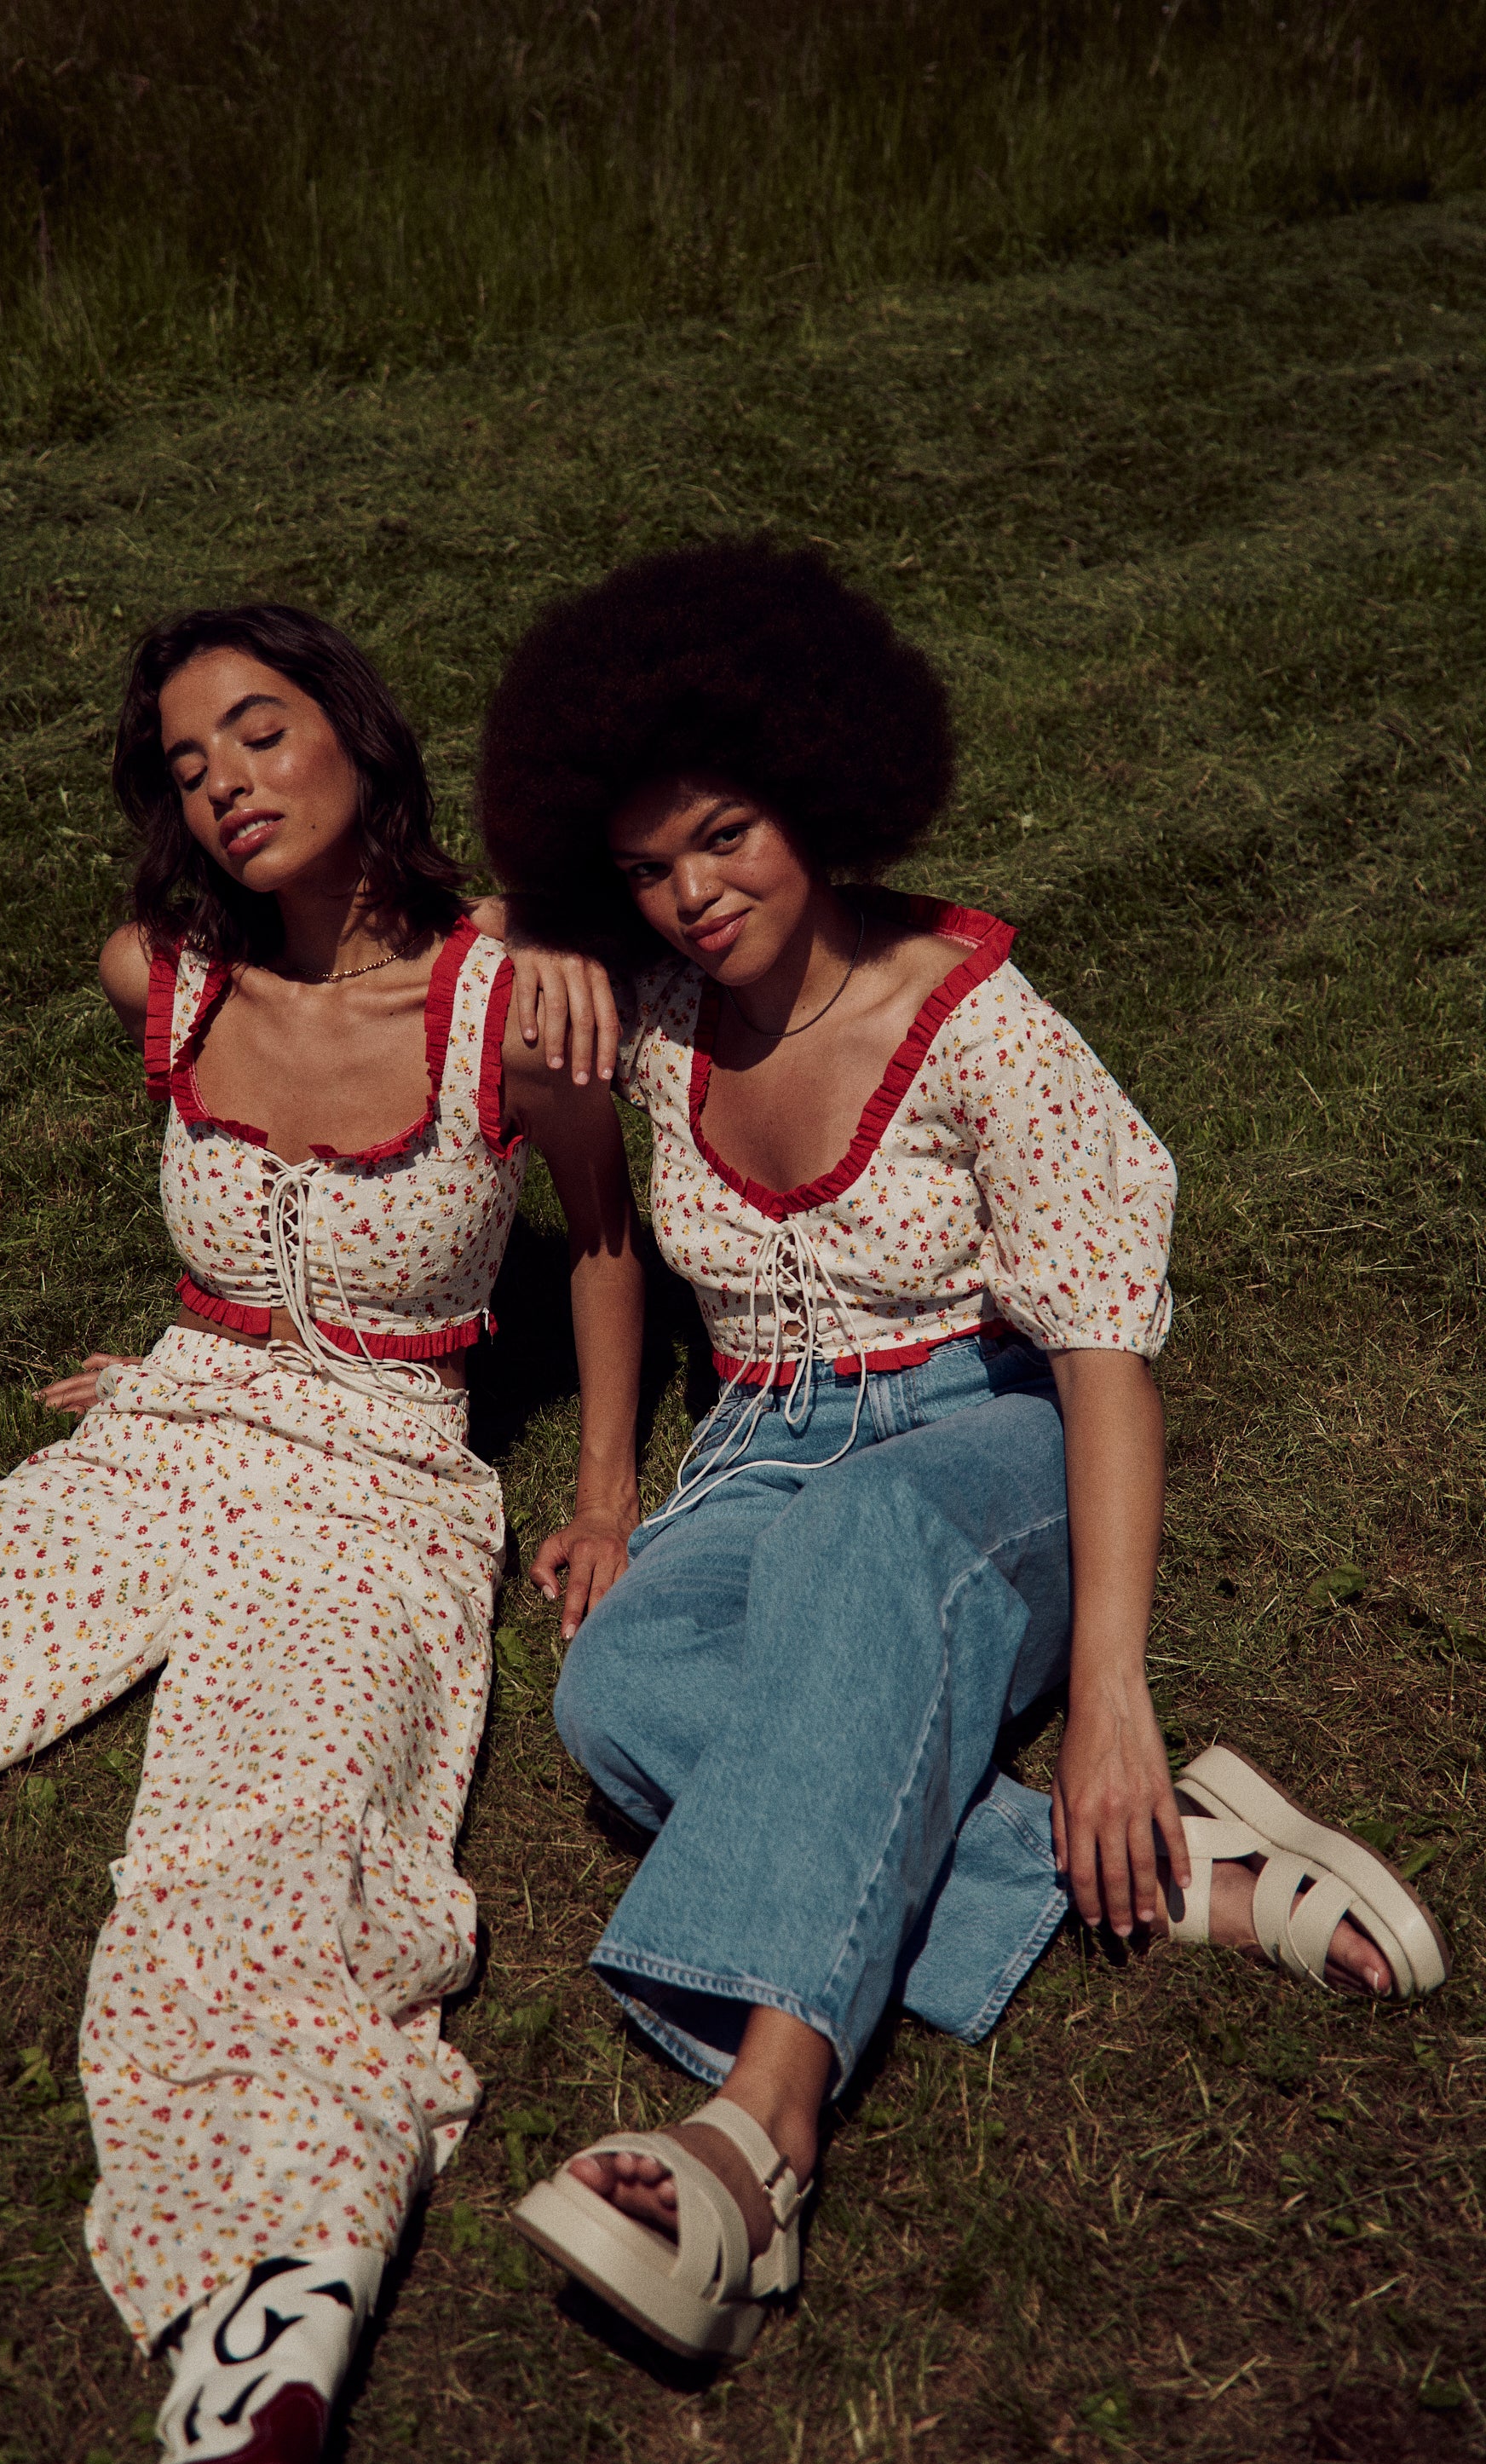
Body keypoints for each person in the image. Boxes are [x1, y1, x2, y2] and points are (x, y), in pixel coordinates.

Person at [475, 540, 1451, 2363]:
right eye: (644, 868)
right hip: (758, 1444)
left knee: (860, 1546)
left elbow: (1103, 1358)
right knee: (617, 1693)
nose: (690, 896)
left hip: (987, 1439)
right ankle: (1194, 1880)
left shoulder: (976, 1023)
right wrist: (533, 935)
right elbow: (463, 968)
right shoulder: (655, 1001)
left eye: (725, 837)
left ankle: (756, 2134)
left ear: (817, 787)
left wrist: (1109, 1699)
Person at [0, 605, 644, 2464]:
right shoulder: (171, 982)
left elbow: (603, 1234)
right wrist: (183, 1354)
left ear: (359, 735)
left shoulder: (504, 1003)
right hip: (172, 1433)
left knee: (277, 1859)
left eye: (261, 733)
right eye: (189, 767)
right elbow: (232, 1219)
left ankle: (259, 2316)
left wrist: (603, 1493)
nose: (226, 785)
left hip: (373, 1492)